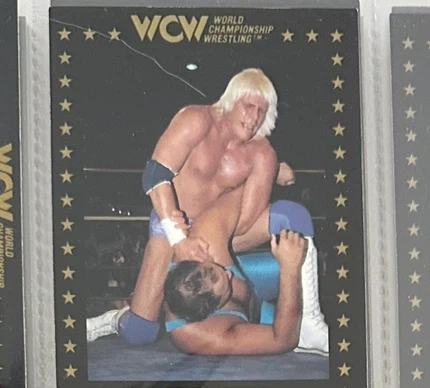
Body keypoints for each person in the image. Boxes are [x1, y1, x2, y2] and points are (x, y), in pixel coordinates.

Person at [87, 69, 287, 347]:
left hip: (212, 234)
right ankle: (114, 319)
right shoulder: (197, 119)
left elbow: (246, 220)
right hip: (171, 225)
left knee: (288, 223)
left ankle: (299, 320)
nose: (254, 118)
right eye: (248, 106)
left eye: (261, 111)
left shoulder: (261, 152)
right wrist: (178, 238)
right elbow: (155, 174)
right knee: (140, 331)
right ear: (232, 100)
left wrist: (271, 171)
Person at [160, 195, 328, 356]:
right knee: (295, 330)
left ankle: (309, 319)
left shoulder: (203, 245)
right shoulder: (198, 336)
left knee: (291, 217)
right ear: (213, 310)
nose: (229, 273)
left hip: (249, 276)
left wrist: (271, 176)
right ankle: (307, 329)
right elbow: (283, 340)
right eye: (225, 280)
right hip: (258, 317)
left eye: (218, 268)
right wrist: (290, 269)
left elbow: (238, 195)